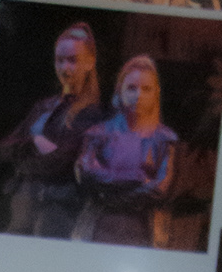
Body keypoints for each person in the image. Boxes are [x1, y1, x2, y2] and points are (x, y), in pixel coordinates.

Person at [0, 20, 106, 240]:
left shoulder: (93, 116)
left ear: (90, 62)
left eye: (72, 60)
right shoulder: (43, 106)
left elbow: (58, 163)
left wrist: (27, 150)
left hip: (57, 211)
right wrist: (35, 143)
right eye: (60, 60)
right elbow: (4, 148)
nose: (65, 68)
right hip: (23, 205)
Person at [76, 55, 178, 247]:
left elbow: (160, 188)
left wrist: (113, 193)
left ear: (155, 93)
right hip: (100, 226)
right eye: (131, 88)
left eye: (146, 89)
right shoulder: (98, 133)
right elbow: (86, 172)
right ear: (119, 90)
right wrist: (136, 177)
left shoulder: (164, 139)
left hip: (143, 229)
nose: (138, 95)